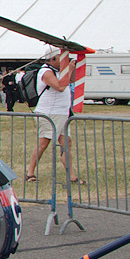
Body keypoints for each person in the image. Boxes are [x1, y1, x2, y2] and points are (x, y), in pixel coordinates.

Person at [25, 48, 79, 184]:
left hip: (62, 112)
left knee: (66, 142)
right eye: (61, 58)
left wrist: (72, 68)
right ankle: (30, 172)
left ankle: (71, 176)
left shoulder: (59, 71)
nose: (64, 61)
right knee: (44, 143)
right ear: (53, 59)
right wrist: (69, 69)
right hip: (49, 112)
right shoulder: (46, 72)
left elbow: (70, 80)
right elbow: (60, 87)